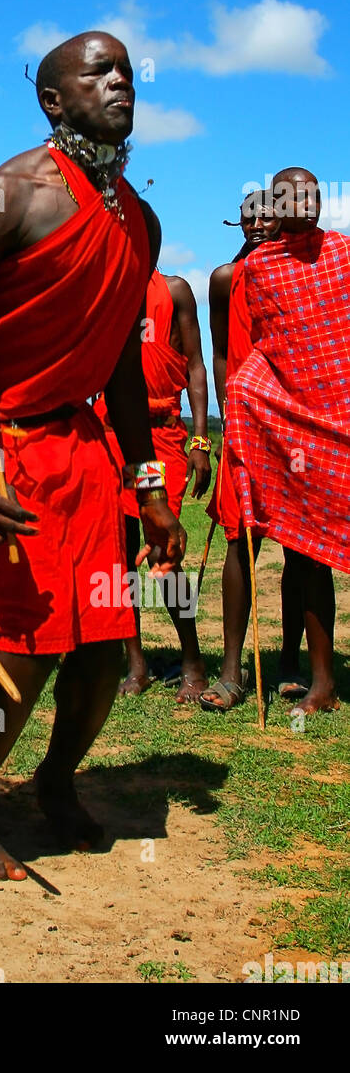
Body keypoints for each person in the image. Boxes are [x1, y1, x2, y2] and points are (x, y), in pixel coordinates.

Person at [0, 31, 186, 879]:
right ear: (52, 99)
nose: (121, 83)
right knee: (23, 649)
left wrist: (147, 481)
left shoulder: (137, 218)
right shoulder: (7, 195)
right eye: (99, 71)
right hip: (6, 447)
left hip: (83, 452)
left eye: (128, 73)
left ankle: (57, 780)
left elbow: (116, 356)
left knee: (107, 644)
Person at [227, 167, 344, 716]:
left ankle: (317, 676)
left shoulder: (344, 255)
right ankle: (318, 682)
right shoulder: (257, 271)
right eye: (294, 193)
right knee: (308, 554)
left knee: (318, 555)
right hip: (289, 431)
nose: (307, 201)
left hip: (341, 423)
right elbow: (256, 355)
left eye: (314, 193)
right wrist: (244, 407)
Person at [95, 269, 212, 700]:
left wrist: (200, 437)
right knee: (118, 553)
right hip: (111, 436)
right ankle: (136, 663)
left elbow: (196, 365)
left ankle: (193, 660)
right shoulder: (105, 288)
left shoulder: (176, 291)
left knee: (163, 553)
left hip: (162, 437)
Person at [200, 191, 287, 711]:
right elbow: (220, 349)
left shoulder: (305, 274)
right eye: (249, 216)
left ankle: (298, 668)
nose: (257, 223)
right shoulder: (224, 280)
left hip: (296, 421)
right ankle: (231, 672)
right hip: (245, 419)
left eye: (267, 214)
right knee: (241, 537)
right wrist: (230, 406)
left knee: (304, 550)